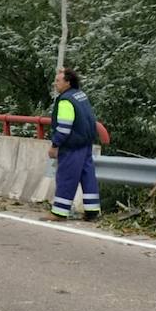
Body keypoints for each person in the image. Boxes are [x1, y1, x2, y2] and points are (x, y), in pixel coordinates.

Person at [47, 67, 102, 221]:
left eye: (58, 81)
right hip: (86, 144)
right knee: (88, 177)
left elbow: (64, 127)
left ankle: (59, 212)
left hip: (72, 146)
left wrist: (55, 145)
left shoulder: (65, 100)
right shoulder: (80, 95)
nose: (55, 84)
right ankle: (92, 212)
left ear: (67, 82)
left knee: (66, 177)